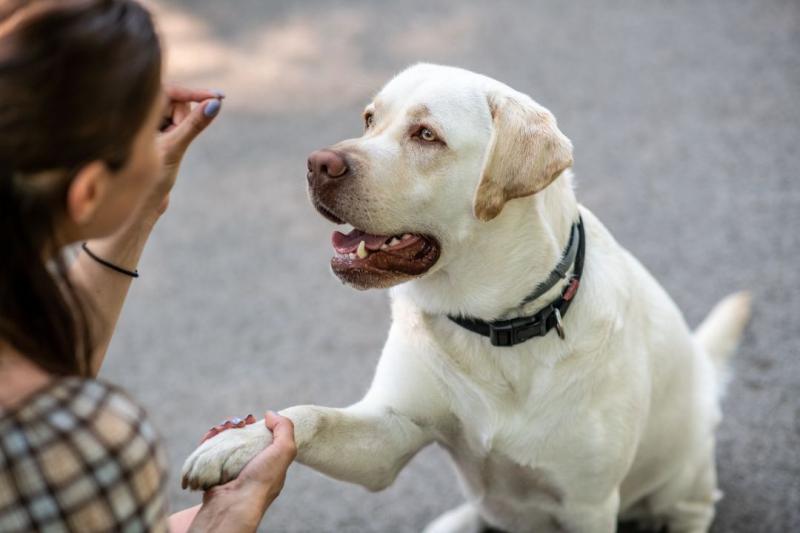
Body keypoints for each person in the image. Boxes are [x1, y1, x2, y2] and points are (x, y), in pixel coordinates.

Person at [0, 0, 296, 531]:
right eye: (142, 126)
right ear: (87, 190)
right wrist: (224, 520)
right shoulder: (79, 446)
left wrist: (140, 209)